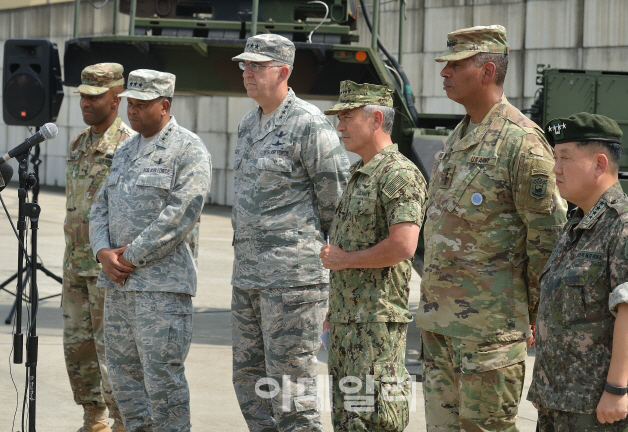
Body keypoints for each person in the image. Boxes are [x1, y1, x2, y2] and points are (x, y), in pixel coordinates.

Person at [416, 25, 568, 432]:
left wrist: (532, 313)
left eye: (455, 65)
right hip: (441, 327)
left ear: (486, 72)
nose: (444, 73)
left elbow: (548, 238)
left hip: (490, 332)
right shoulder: (460, 135)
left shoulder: (521, 143)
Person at [230, 34, 350, 431]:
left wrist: (335, 280)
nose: (247, 73)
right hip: (248, 277)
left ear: (283, 72)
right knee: (250, 383)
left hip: (292, 283)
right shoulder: (249, 123)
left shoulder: (308, 123)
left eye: (257, 66)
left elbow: (337, 202)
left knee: (291, 393)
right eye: (245, 65)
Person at [89, 69, 212, 432]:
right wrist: (102, 253)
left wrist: (128, 257)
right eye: (131, 104)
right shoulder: (126, 150)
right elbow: (100, 207)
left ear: (165, 105)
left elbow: (181, 214)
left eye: (143, 105)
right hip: (119, 287)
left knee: (162, 384)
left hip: (162, 289)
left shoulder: (188, 149)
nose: (133, 111)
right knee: (125, 383)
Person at [527, 113, 628, 432]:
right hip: (560, 401)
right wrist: (546, 384)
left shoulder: (626, 227)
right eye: (554, 158)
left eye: (565, 158)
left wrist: (616, 389)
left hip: (597, 409)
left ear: (599, 164)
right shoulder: (576, 224)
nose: (555, 168)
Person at [319, 80, 427, 432]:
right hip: (348, 323)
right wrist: (333, 313)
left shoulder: (399, 174)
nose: (340, 127)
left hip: (375, 329)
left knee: (376, 420)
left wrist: (345, 260)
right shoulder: (359, 173)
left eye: (348, 117)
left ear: (376, 118)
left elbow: (404, 245)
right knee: (348, 420)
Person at [63, 62, 133, 432]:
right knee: (78, 348)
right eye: (82, 97)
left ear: (116, 98)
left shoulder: (128, 146)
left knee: (113, 352)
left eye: (95, 96)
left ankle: (122, 420)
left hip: (108, 268)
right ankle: (94, 418)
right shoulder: (79, 143)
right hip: (75, 264)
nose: (86, 104)